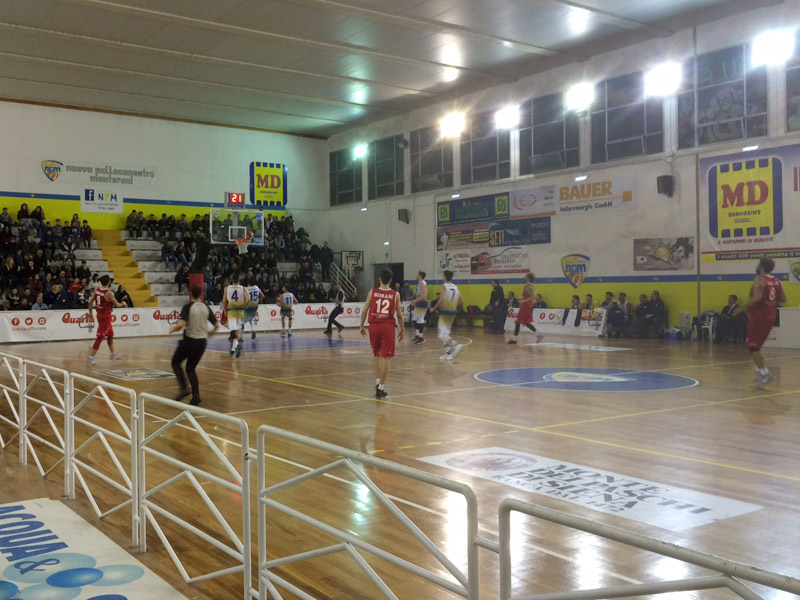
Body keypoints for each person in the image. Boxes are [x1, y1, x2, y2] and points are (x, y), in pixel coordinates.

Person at [735, 258, 786, 389]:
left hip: (759, 316)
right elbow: (783, 299)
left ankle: (765, 373)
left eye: (758, 264)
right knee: (754, 345)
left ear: (762, 267)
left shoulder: (760, 279)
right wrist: (770, 301)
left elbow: (757, 297)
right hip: (771, 316)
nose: (757, 266)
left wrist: (742, 308)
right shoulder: (777, 281)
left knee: (753, 346)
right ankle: (759, 373)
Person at [170, 284, 220, 406]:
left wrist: (173, 329)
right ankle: (196, 396)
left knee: (175, 362)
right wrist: (210, 333)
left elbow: (182, 324)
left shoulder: (188, 307)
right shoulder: (206, 307)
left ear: (190, 293)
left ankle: (184, 388)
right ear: (201, 293)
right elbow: (217, 325)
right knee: (191, 368)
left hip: (190, 340)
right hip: (202, 342)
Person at [359, 268, 404, 399]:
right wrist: (402, 329)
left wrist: (361, 326)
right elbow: (399, 315)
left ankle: (377, 382)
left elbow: (364, 311)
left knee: (377, 355)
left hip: (373, 326)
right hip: (387, 326)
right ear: (391, 280)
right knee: (386, 357)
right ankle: (381, 388)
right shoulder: (395, 294)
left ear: (379, 279)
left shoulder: (372, 292)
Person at [87, 275, 124, 365]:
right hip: (106, 316)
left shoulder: (97, 290)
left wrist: (90, 312)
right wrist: (123, 303)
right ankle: (91, 357)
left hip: (99, 314)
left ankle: (113, 354)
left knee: (110, 334)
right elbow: (117, 305)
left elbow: (90, 301)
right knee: (100, 337)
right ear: (109, 283)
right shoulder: (109, 293)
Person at [430, 270, 463, 361]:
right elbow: (461, 301)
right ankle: (448, 354)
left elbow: (442, 299)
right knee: (445, 334)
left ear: (444, 276)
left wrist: (433, 308)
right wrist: (453, 306)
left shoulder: (443, 286)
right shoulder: (455, 287)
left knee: (442, 335)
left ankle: (456, 344)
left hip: (445, 312)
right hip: (453, 312)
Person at [507, 273, 544, 345]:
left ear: (528, 278)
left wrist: (524, 301)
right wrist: (521, 297)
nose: (524, 277)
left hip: (526, 306)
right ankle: (538, 335)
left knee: (519, 322)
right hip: (525, 306)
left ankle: (514, 339)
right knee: (525, 322)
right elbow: (528, 296)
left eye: (525, 276)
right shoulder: (527, 286)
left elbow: (534, 296)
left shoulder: (529, 287)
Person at [221, 272, 247, 358]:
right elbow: (248, 299)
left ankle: (236, 344)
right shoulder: (243, 288)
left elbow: (224, 301)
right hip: (240, 311)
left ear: (231, 279)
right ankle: (233, 348)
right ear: (239, 279)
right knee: (237, 330)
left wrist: (225, 310)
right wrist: (244, 306)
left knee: (232, 330)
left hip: (231, 310)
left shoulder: (227, 288)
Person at [408, 271, 429, 344]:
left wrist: (416, 301)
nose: (416, 275)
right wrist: (416, 301)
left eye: (417, 274)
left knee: (420, 320)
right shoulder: (420, 283)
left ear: (420, 276)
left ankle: (421, 338)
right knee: (414, 319)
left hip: (422, 303)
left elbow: (424, 296)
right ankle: (417, 336)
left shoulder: (422, 283)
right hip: (419, 303)